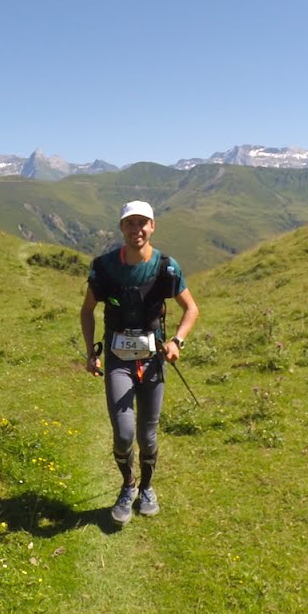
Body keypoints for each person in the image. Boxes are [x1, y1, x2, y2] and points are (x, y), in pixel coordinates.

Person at [79, 200, 199, 526]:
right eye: (130, 224)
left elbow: (191, 309)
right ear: (122, 228)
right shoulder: (104, 268)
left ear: (153, 226)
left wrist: (177, 341)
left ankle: (146, 488)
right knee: (123, 433)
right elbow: (87, 310)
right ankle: (127, 485)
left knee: (147, 436)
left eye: (143, 223)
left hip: (154, 361)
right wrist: (92, 352)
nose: (137, 230)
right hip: (118, 359)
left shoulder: (166, 267)